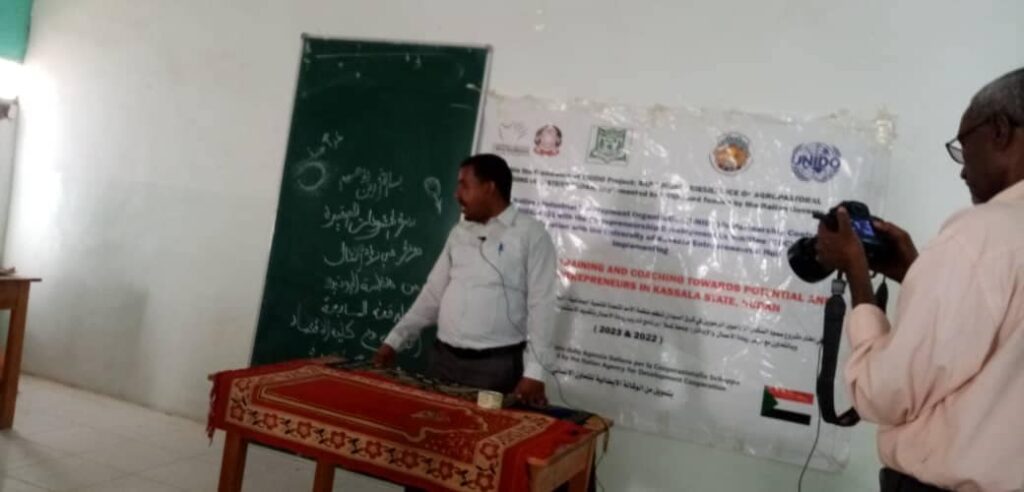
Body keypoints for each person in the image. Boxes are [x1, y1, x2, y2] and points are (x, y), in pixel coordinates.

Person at [816, 67, 1024, 492]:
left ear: (999, 131)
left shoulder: (980, 236)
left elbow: (883, 394)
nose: (962, 172)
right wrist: (917, 273)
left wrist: (858, 277)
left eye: (963, 148)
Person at [373, 153, 556, 407]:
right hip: (443, 361)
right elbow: (432, 294)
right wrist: (394, 341)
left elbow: (542, 306)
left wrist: (535, 373)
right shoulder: (459, 233)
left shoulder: (530, 234)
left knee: (484, 431)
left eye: (464, 186)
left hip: (495, 369)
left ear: (489, 187)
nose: (457, 194)